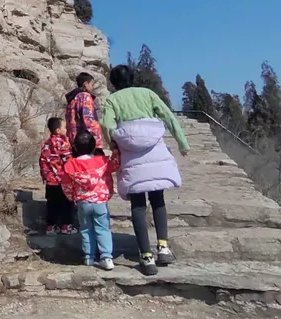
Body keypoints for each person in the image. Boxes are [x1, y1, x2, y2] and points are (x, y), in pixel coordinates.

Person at [100, 64, 189, 276]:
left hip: (131, 157)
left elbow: (106, 124)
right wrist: (182, 142)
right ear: (133, 78)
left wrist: (113, 143)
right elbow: (168, 116)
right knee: (158, 200)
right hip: (155, 152)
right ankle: (163, 247)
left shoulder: (113, 100)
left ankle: (146, 257)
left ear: (113, 82)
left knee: (138, 206)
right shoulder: (147, 94)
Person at [61, 130, 119, 270]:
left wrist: (72, 198)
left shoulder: (70, 165)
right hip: (100, 201)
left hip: (82, 201)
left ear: (75, 147)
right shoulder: (102, 161)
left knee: (86, 229)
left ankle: (88, 257)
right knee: (103, 228)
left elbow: (66, 185)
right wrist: (116, 149)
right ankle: (106, 257)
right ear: (94, 146)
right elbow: (116, 164)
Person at [38, 116, 77, 235]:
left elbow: (42, 161)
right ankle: (66, 226)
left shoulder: (46, 143)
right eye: (65, 127)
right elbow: (68, 159)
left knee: (52, 204)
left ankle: (51, 227)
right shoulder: (63, 142)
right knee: (66, 203)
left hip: (50, 180)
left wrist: (44, 176)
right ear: (58, 130)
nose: (67, 130)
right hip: (63, 179)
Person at [65, 72, 104, 153]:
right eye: (91, 84)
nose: (92, 88)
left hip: (75, 141)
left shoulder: (72, 99)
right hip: (87, 143)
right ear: (86, 84)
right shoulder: (85, 96)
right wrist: (96, 140)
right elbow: (88, 120)